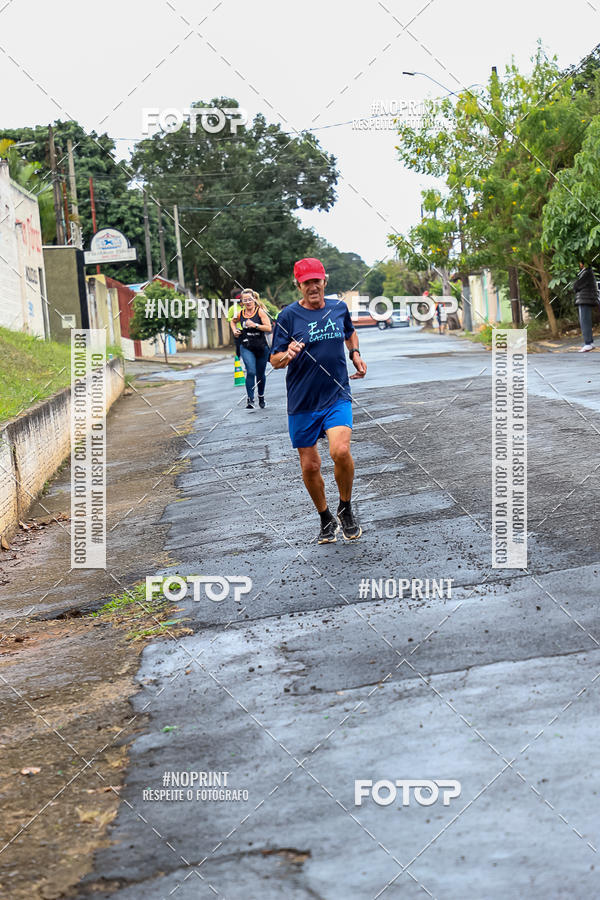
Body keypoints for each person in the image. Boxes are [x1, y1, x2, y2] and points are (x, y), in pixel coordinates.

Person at [270, 257, 367, 543]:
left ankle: (345, 508)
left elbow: (350, 333)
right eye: (306, 282)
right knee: (310, 466)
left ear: (324, 280)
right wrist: (288, 354)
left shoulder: (338, 308)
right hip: (303, 401)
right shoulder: (288, 317)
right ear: (298, 285)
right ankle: (325, 517)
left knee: (340, 450)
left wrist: (355, 354)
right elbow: (274, 361)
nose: (313, 286)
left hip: (336, 394)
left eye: (317, 280)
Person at [232, 289, 272, 408]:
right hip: (246, 346)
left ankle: (261, 396)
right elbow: (232, 322)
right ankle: (250, 399)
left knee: (260, 374)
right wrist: (235, 331)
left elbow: (268, 328)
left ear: (254, 299)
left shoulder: (260, 312)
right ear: (242, 302)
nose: (248, 302)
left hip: (261, 347)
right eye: (245, 300)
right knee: (251, 371)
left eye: (250, 299)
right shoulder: (241, 313)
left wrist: (255, 325)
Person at [572, 262, 599, 352]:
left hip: (585, 300)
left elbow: (576, 286)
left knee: (584, 321)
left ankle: (588, 343)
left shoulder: (587, 272)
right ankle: (590, 343)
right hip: (585, 299)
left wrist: (575, 284)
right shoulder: (585, 272)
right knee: (585, 321)